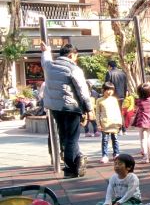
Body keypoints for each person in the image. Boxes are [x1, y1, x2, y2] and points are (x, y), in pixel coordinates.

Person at [40, 42, 91, 178]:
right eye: (76, 56)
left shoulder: (50, 66)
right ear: (71, 55)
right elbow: (82, 90)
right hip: (71, 107)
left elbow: (45, 60)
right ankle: (72, 165)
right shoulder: (74, 69)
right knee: (72, 138)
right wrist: (88, 108)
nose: (76, 59)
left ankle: (74, 164)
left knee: (64, 136)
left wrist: (46, 51)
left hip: (55, 108)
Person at [96, 82, 123, 164]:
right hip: (105, 123)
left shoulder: (114, 100)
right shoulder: (99, 100)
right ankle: (104, 155)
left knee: (115, 139)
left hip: (114, 123)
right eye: (107, 90)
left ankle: (116, 154)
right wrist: (98, 124)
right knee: (104, 140)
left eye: (111, 90)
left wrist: (120, 122)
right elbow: (97, 113)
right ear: (103, 90)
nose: (109, 92)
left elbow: (118, 111)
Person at [132, 83, 150, 163]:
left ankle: (145, 157)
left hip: (142, 122)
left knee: (143, 139)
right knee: (149, 137)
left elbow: (136, 97)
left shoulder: (139, 101)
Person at [105, 59, 128, 132]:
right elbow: (125, 86)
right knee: (120, 111)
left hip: (112, 96)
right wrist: (124, 95)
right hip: (121, 96)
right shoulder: (122, 73)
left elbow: (107, 85)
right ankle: (123, 129)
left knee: (114, 112)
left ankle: (118, 128)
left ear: (109, 66)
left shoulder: (109, 73)